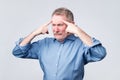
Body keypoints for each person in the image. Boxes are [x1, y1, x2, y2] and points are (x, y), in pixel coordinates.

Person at [12, 7, 106, 80]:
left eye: (60, 25)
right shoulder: (43, 44)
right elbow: (18, 52)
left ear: (71, 24)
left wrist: (78, 31)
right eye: (53, 25)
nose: (55, 30)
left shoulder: (82, 45)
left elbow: (100, 54)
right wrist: (34, 33)